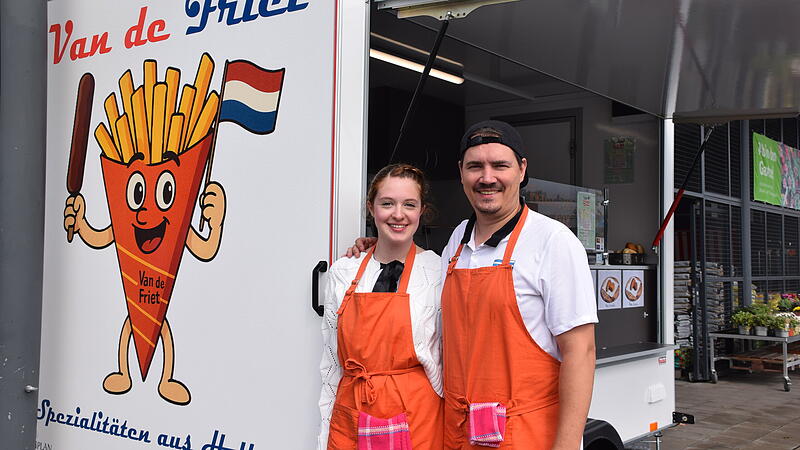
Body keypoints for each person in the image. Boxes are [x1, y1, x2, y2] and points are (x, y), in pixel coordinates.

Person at [349, 121, 597, 449]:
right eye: (475, 166)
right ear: (461, 173)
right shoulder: (457, 241)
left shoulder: (552, 241)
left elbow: (581, 352)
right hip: (458, 433)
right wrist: (377, 248)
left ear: (522, 170)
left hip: (525, 435)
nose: (487, 177)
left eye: (500, 165)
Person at [318, 164, 444, 449]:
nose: (398, 214)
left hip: (419, 420)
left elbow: (447, 361)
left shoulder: (439, 272)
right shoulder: (344, 271)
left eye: (409, 204)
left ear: (421, 211)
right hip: (353, 414)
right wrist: (323, 435)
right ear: (371, 208)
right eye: (387, 203)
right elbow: (331, 365)